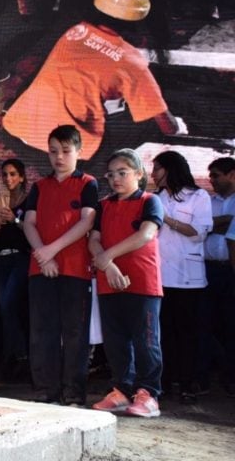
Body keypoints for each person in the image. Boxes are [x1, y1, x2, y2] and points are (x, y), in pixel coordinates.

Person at [2, 0, 186, 172]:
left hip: (16, 132)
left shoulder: (76, 31)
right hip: (63, 155)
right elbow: (167, 126)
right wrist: (178, 126)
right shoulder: (131, 61)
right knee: (150, 123)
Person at [23, 125, 98, 406]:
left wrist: (51, 250)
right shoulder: (39, 186)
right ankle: (46, 391)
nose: (59, 157)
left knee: (75, 333)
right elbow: (29, 223)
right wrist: (42, 255)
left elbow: (87, 221)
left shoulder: (88, 182)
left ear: (79, 152)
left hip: (75, 269)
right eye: (54, 151)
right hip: (40, 268)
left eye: (66, 151)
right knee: (43, 331)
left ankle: (73, 393)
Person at [89, 148, 164, 418]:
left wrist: (108, 256)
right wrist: (107, 265)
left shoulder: (150, 200)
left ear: (139, 174)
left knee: (145, 341)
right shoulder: (104, 205)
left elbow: (145, 235)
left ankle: (149, 393)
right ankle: (122, 389)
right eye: (111, 175)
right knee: (115, 341)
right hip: (110, 281)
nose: (116, 179)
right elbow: (93, 240)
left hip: (142, 282)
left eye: (123, 173)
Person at [151, 150, 212, 404]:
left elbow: (198, 232)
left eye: (157, 169)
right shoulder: (155, 197)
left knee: (188, 331)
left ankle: (189, 382)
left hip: (189, 277)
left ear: (170, 169)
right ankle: (164, 381)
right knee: (163, 331)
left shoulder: (198, 196)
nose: (153, 174)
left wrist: (167, 219)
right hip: (160, 274)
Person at [0, 158, 31, 382]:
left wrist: (15, 220)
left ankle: (21, 357)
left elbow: (32, 231)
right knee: (5, 309)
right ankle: (12, 357)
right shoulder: (2, 201)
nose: (8, 179)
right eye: (5, 174)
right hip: (2, 260)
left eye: (13, 174)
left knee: (10, 306)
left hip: (21, 258)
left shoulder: (28, 201)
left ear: (22, 176)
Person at [198, 157, 235, 396]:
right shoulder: (207, 201)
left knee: (231, 325)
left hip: (230, 270)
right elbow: (200, 227)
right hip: (207, 269)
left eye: (217, 175)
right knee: (205, 323)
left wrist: (215, 225)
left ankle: (230, 377)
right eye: (210, 176)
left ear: (232, 174)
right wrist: (219, 223)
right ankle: (209, 375)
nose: (211, 180)